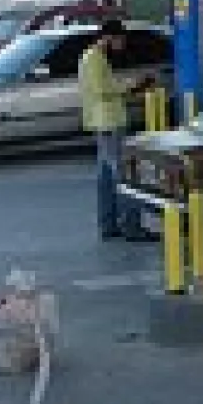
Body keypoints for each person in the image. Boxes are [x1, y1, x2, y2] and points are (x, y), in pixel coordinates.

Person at [78, 19, 153, 241]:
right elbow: (103, 90)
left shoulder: (94, 58)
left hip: (103, 123)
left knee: (106, 178)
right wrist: (133, 86)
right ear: (110, 38)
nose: (123, 45)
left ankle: (108, 224)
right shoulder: (94, 59)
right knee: (124, 175)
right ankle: (131, 226)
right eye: (121, 40)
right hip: (109, 123)